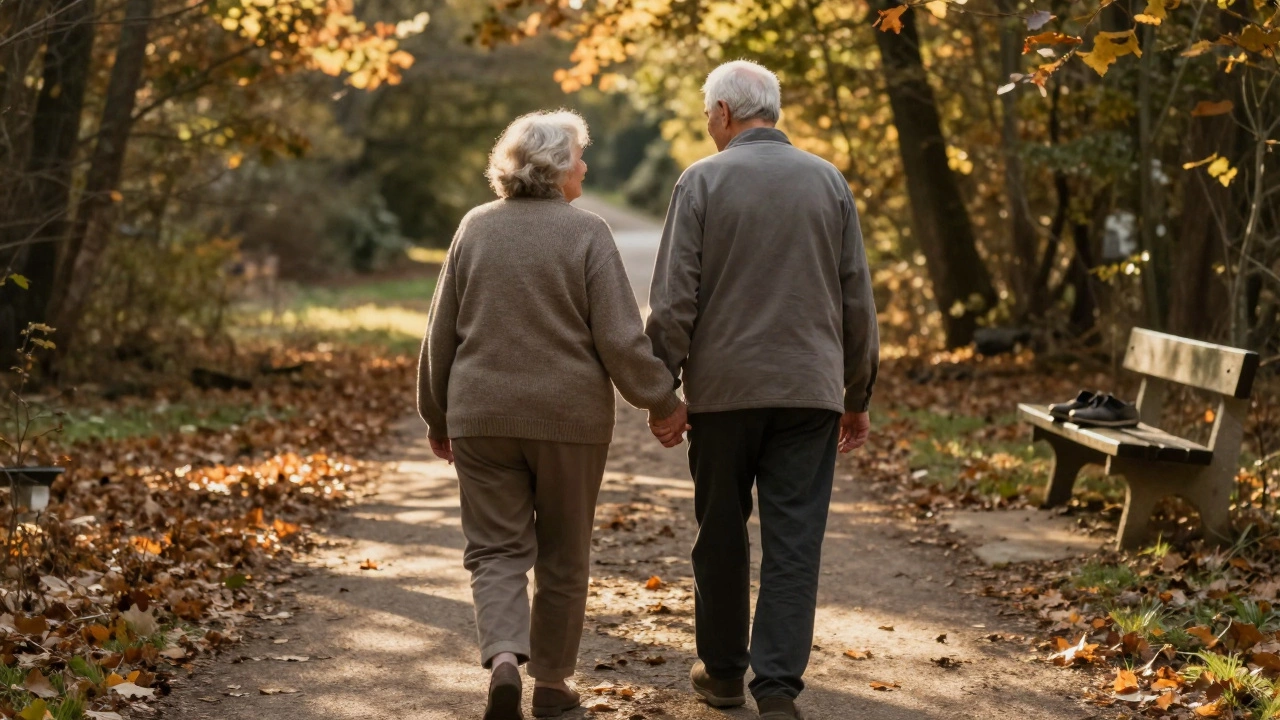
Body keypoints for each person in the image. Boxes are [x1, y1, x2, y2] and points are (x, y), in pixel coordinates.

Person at [417, 110, 690, 720]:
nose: (586, 167)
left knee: (494, 550)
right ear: (559, 168)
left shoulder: (475, 228)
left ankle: (505, 661)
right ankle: (551, 686)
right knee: (564, 554)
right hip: (570, 422)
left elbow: (441, 333)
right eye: (580, 157)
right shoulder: (587, 233)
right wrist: (664, 401)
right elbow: (620, 337)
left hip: (481, 416)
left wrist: (437, 415)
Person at [645, 60, 880, 720]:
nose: (706, 124)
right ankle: (776, 686)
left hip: (721, 397)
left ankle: (722, 675)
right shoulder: (828, 180)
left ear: (723, 112)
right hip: (809, 395)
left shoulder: (702, 180)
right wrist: (857, 393)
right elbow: (856, 297)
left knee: (720, 533)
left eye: (704, 113)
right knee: (794, 541)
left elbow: (672, 301)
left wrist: (663, 393)